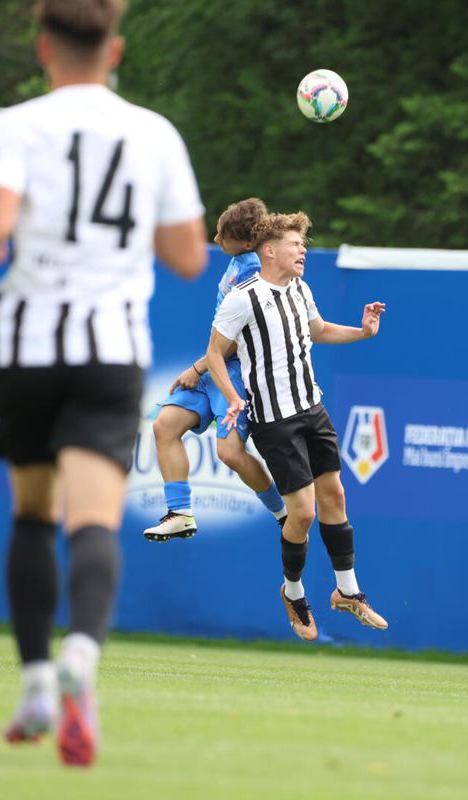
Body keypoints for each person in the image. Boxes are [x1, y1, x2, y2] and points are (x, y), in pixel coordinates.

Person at [0, 0, 207, 768]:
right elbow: (190, 257)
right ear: (116, 50)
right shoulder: (153, 133)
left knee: (33, 514)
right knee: (92, 522)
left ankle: (35, 681)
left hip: (28, 346)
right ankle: (82, 660)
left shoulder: (12, 124)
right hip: (109, 348)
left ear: (44, 48)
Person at [205, 211, 387, 641]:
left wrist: (363, 332)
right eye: (295, 244)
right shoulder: (242, 298)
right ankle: (293, 591)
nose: (303, 250)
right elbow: (215, 353)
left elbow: (318, 330)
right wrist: (233, 398)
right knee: (302, 513)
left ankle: (348, 592)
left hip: (312, 408)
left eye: (304, 244)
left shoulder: (300, 289)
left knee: (336, 495)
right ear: (269, 251)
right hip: (275, 421)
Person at [143, 198, 287, 542]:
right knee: (165, 426)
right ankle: (180, 513)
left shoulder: (253, 270)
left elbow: (237, 339)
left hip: (236, 373)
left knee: (230, 454)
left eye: (224, 235)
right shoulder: (240, 260)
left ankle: (284, 515)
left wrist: (197, 366)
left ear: (249, 242)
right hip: (215, 367)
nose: (217, 238)